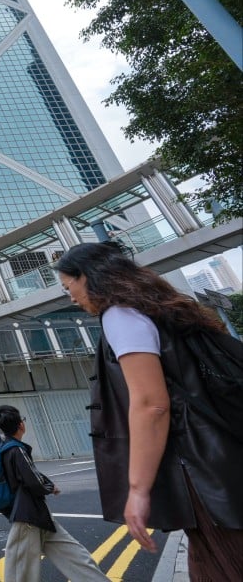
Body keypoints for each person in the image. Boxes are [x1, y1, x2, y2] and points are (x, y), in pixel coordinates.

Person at [54, 242, 243, 579]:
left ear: (90, 277)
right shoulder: (164, 308)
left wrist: (138, 490)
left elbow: (151, 403)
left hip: (199, 468)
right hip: (223, 454)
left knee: (223, 561)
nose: (70, 296)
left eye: (69, 286)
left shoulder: (120, 315)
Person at [0, 404, 108, 581]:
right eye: (22, 419)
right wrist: (50, 487)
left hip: (38, 516)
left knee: (74, 556)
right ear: (20, 425)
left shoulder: (6, 449)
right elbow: (32, 480)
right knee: (21, 575)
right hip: (28, 518)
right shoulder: (16, 450)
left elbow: (30, 475)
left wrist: (46, 483)